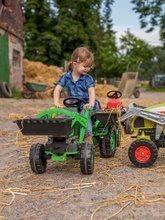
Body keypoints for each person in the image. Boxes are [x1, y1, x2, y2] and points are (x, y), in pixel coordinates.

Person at [53, 46, 99, 144]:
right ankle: (65, 137)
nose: (87, 69)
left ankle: (87, 137)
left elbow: (91, 92)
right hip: (72, 105)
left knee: (84, 116)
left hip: (85, 105)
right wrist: (56, 103)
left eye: (89, 67)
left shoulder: (88, 79)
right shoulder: (66, 77)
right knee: (64, 116)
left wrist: (90, 103)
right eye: (85, 66)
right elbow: (57, 89)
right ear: (75, 64)